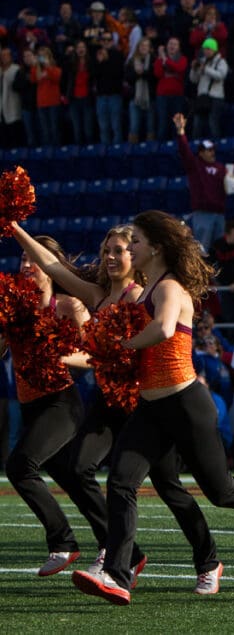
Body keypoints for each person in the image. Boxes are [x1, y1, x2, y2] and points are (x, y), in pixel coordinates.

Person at [71, 211, 234, 605]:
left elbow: (164, 329)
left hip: (186, 403)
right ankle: (118, 575)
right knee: (120, 482)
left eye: (135, 241)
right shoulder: (149, 287)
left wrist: (120, 346)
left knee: (222, 491)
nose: (131, 248)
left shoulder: (169, 287)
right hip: (151, 409)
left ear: (156, 247)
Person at [11, 223, 221, 591]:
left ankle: (208, 560)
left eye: (119, 251)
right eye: (106, 251)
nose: (110, 257)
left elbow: (112, 354)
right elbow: (53, 265)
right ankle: (118, 556)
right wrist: (14, 226)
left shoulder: (142, 297)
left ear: (135, 256)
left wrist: (63, 357)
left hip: (145, 404)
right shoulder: (97, 296)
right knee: (79, 468)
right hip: (109, 402)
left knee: (169, 487)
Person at [2, 235, 89, 575]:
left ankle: (63, 542)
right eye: (22, 259)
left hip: (61, 403)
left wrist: (61, 354)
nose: (26, 265)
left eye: (33, 260)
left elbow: (96, 355)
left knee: (19, 466)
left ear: (51, 269)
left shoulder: (69, 306)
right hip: (30, 405)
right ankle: (120, 544)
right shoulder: (15, 307)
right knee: (71, 478)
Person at [174, 113, 226, 253]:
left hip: (220, 213)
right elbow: (184, 151)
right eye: (208, 150)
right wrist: (181, 132)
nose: (212, 152)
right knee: (202, 251)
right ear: (201, 153)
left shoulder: (221, 168)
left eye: (213, 150)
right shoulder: (195, 166)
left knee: (220, 252)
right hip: (203, 213)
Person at [188, 37, 228, 139]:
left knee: (213, 123)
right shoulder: (202, 61)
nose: (206, 51)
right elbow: (193, 80)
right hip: (202, 97)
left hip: (215, 97)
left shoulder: (221, 62)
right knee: (197, 125)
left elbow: (221, 75)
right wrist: (193, 69)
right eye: (205, 49)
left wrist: (205, 69)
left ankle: (216, 146)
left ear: (214, 50)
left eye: (208, 49)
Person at [93, 31, 125, 144]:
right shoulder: (96, 55)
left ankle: (117, 151)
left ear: (112, 41)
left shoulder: (118, 54)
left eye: (108, 40)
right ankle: (105, 152)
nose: (106, 42)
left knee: (116, 125)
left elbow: (117, 73)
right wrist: (100, 62)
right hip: (101, 95)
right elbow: (94, 74)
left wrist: (106, 61)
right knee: (103, 127)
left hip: (114, 94)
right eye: (104, 40)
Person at [154, 37, 188, 140]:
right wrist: (162, 59)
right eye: (170, 44)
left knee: (177, 125)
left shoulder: (182, 59)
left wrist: (165, 59)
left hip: (177, 95)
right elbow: (158, 73)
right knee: (162, 124)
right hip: (162, 96)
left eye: (175, 44)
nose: (172, 46)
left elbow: (179, 68)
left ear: (179, 47)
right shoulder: (160, 59)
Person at [125, 37, 157, 143]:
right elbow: (127, 78)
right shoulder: (132, 61)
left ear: (149, 48)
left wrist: (143, 73)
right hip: (135, 98)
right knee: (134, 126)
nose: (144, 48)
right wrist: (136, 74)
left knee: (150, 126)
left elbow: (155, 77)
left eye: (146, 45)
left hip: (150, 97)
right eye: (141, 45)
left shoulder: (154, 60)